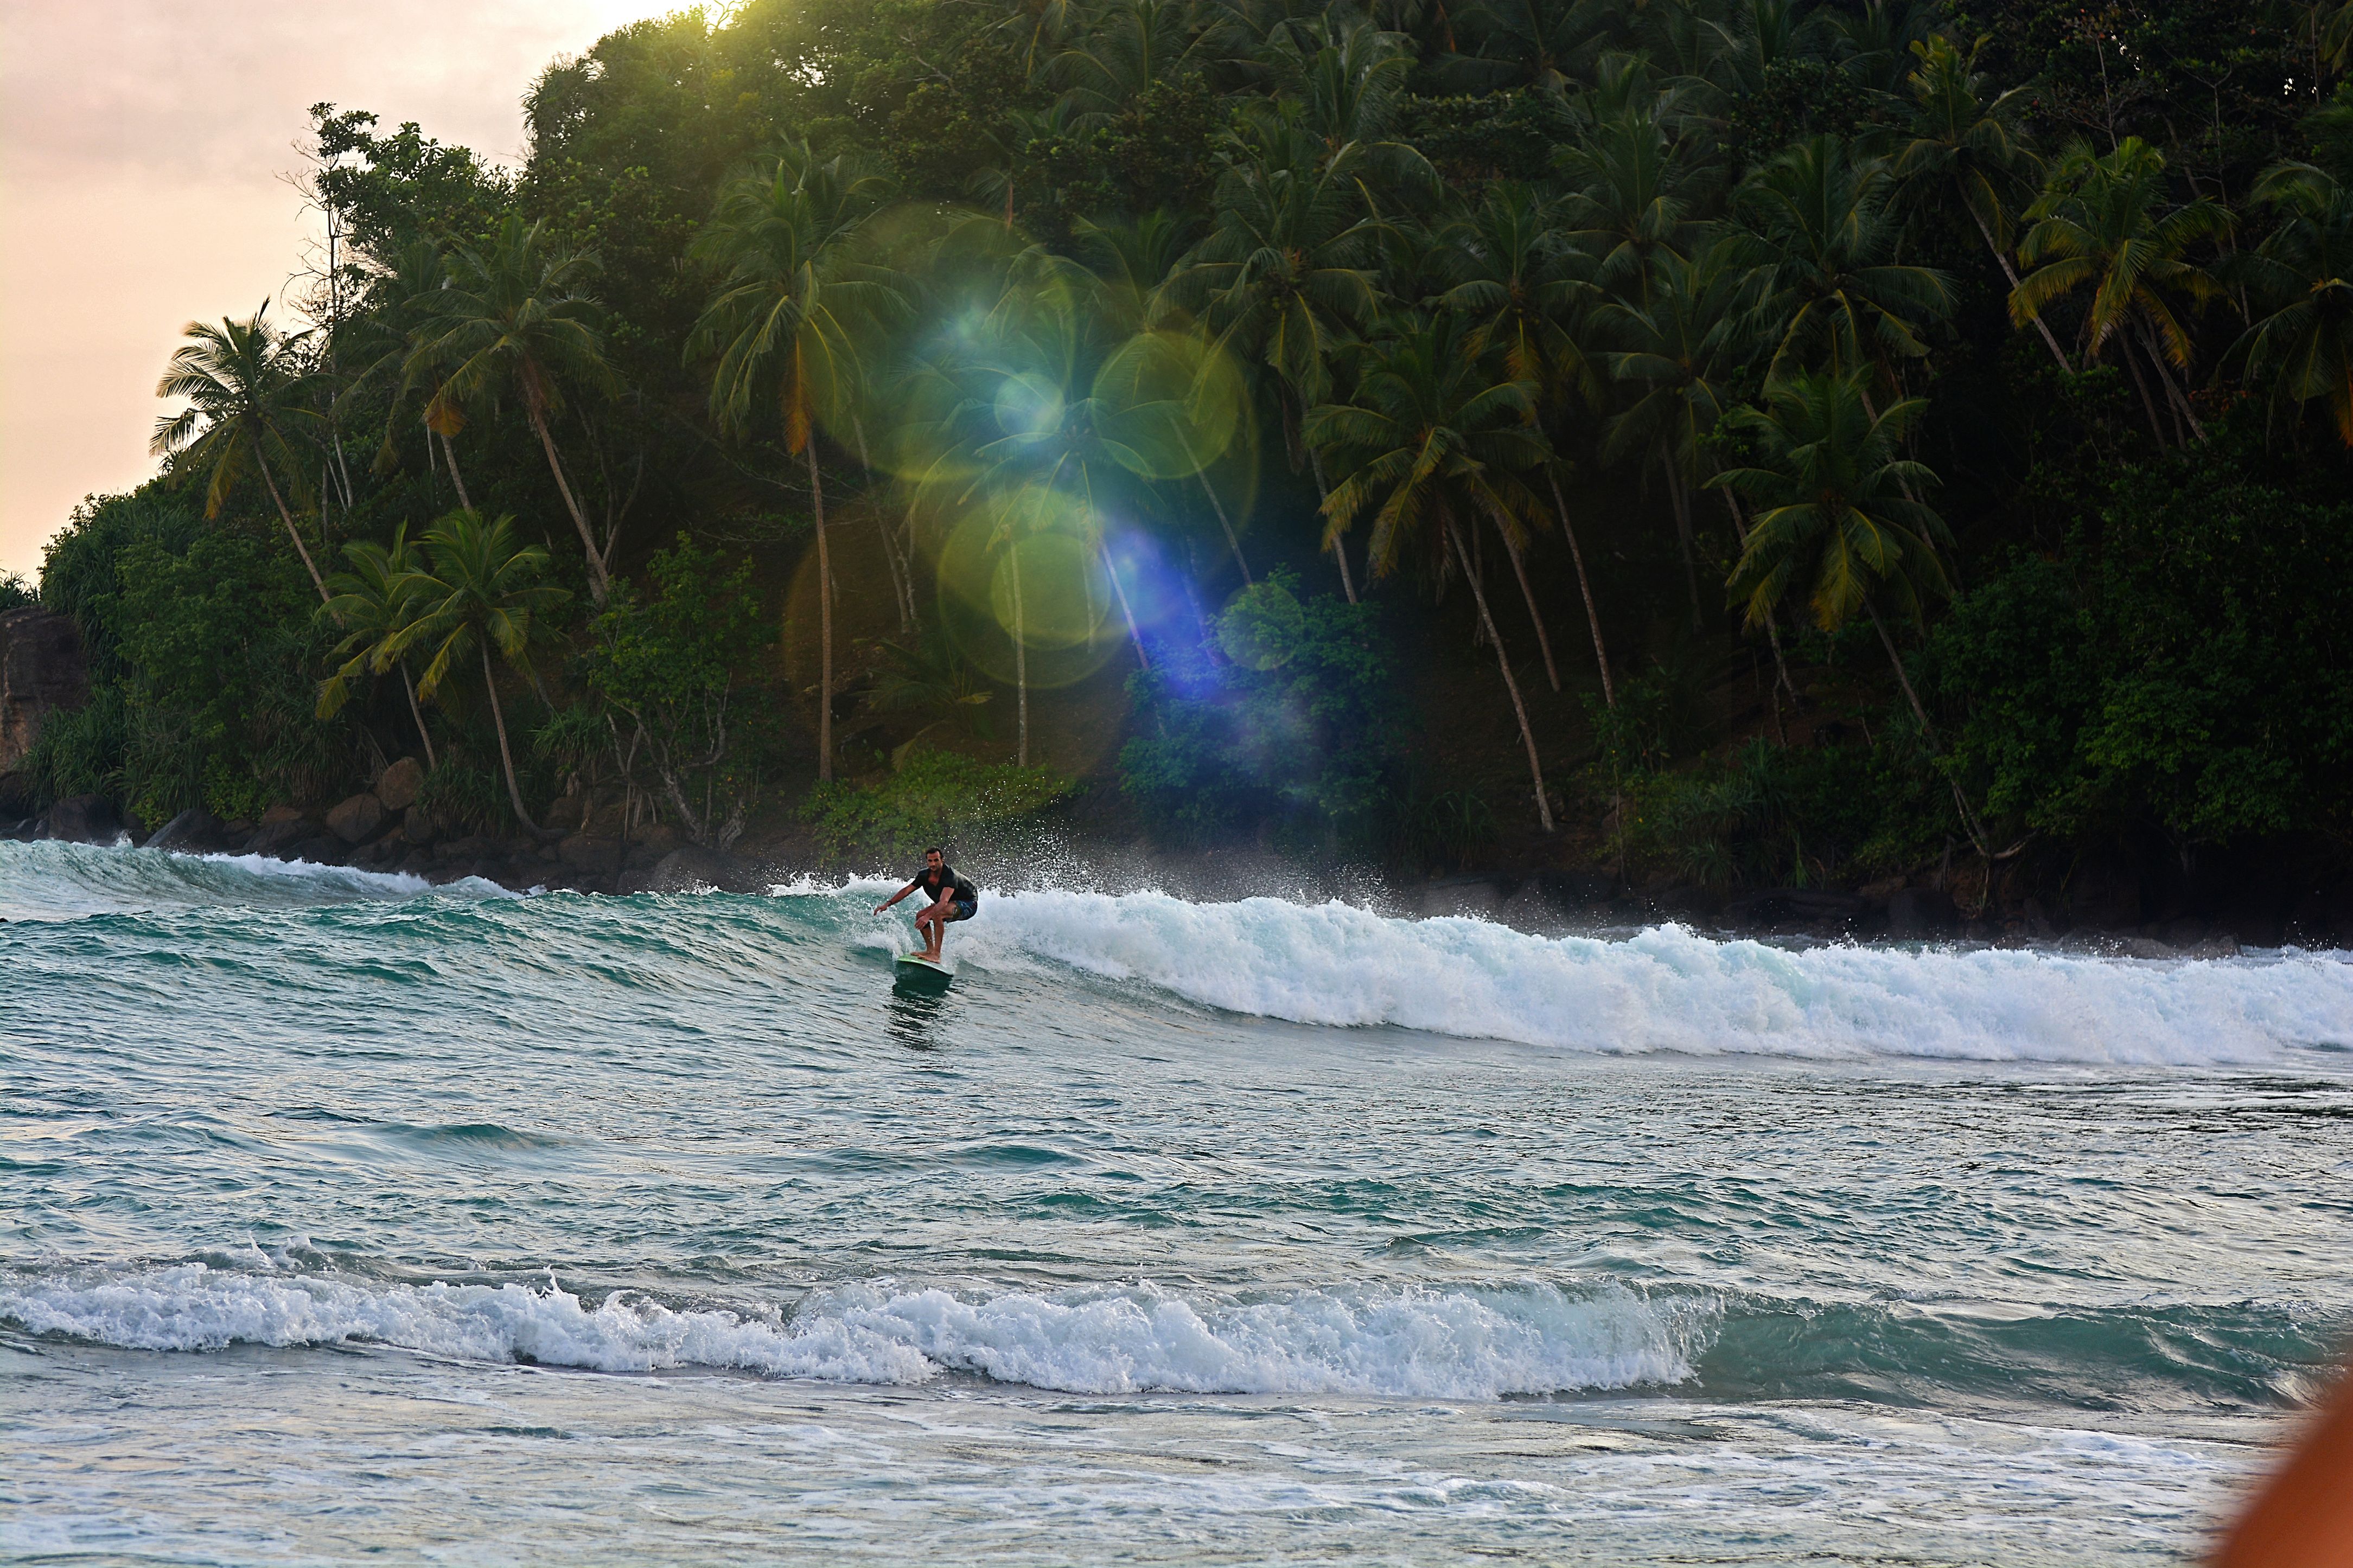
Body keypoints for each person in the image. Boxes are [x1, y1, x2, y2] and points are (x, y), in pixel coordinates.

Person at [875, 847, 979, 960]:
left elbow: (944, 902)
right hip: (950, 903)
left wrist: (928, 916)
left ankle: (936, 955)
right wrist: (888, 904)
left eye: (936, 860)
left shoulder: (950, 876)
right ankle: (930, 951)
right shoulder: (924, 875)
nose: (933, 864)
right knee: (920, 915)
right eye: (930, 861)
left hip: (969, 904)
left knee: (937, 914)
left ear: (942, 860)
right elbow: (906, 891)